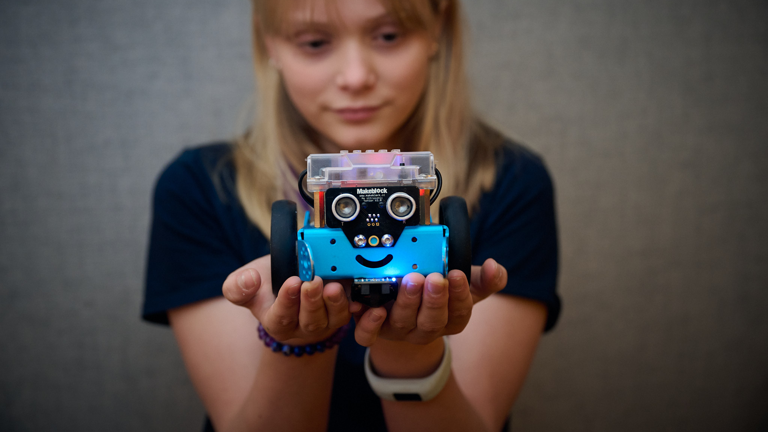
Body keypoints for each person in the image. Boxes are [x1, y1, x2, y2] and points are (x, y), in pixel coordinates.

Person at [142, 0, 560, 431]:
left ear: (438, 27)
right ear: (270, 43)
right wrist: (300, 339)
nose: (356, 77)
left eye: (388, 36)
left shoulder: (512, 181)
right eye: (315, 42)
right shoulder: (198, 187)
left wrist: (410, 348)